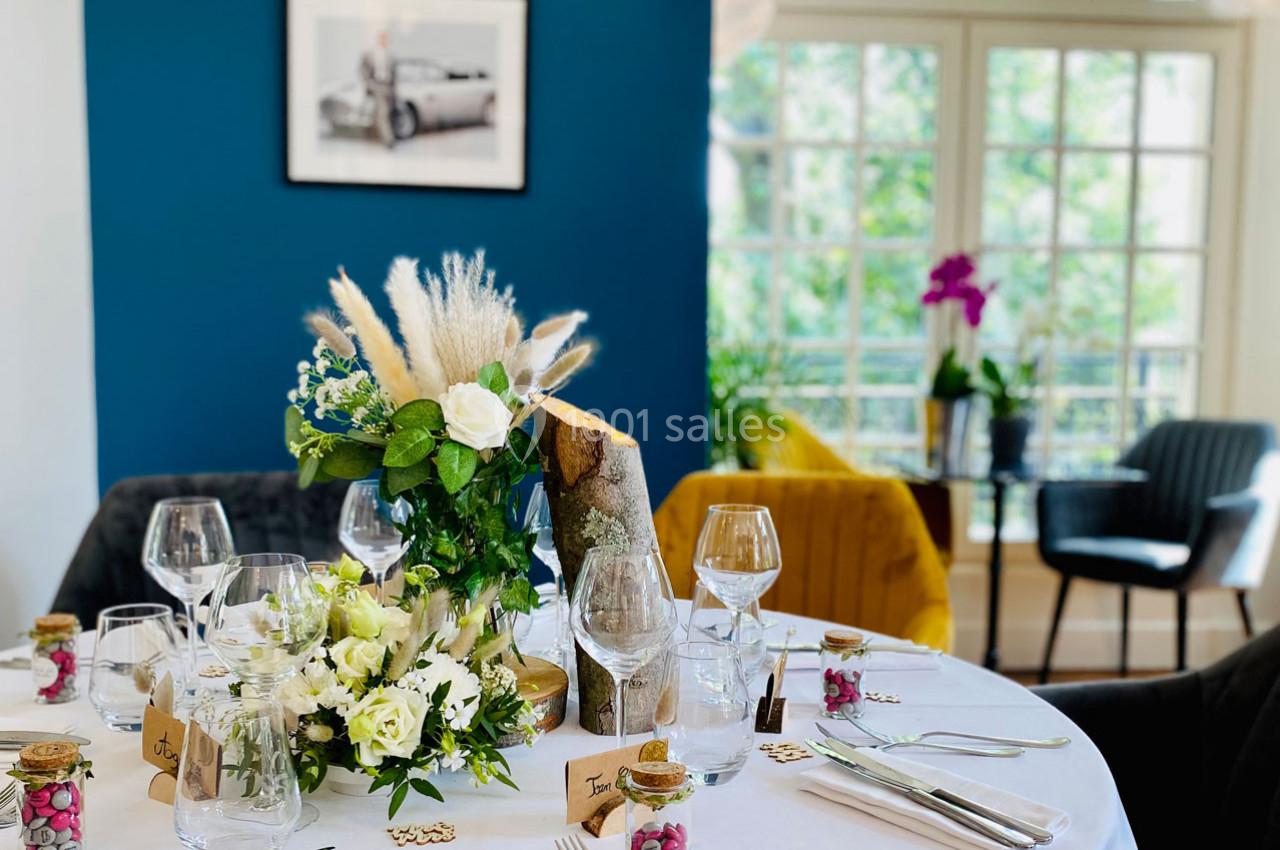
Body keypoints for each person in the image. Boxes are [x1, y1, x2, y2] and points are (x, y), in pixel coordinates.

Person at [360, 30, 396, 148]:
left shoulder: (390, 55)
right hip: (377, 86)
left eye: (386, 39)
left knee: (386, 113)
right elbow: (363, 71)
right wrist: (370, 84)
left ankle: (377, 135)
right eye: (382, 38)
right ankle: (389, 140)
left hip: (388, 87)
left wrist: (394, 90)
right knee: (383, 112)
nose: (384, 41)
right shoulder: (369, 54)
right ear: (378, 40)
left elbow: (395, 75)